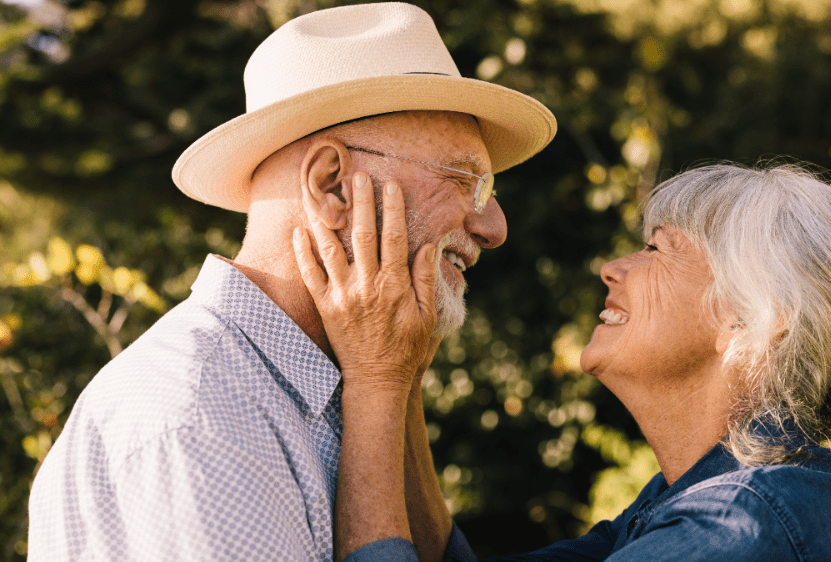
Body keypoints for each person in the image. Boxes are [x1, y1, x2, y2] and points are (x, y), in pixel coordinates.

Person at [26, 3, 556, 561]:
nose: (494, 226)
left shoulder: (314, 389)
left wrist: (392, 385)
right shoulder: (200, 420)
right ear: (330, 186)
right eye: (464, 180)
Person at [301, 162, 831, 561]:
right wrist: (400, 367)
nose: (614, 267)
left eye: (658, 249)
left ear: (753, 314)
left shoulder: (734, 530)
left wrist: (375, 379)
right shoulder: (708, 493)